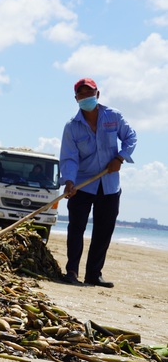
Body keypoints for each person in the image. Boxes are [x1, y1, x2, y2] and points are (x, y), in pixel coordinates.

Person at [59, 78, 137, 288]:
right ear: (76, 98)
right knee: (76, 228)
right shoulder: (72, 127)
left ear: (98, 95)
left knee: (103, 230)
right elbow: (69, 158)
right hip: (83, 184)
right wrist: (69, 181)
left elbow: (130, 137)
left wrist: (120, 158)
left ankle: (94, 274)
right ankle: (72, 271)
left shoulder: (113, 116)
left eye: (89, 93)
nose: (86, 97)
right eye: (82, 94)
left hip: (110, 184)